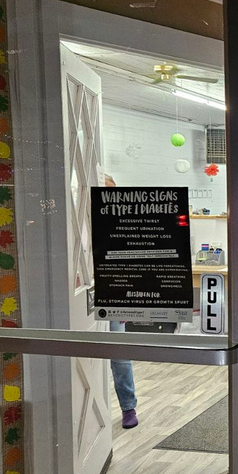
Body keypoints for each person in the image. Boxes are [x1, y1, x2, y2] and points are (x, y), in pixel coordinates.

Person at [105, 174, 139, 429]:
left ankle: (128, 407)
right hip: (87, 293)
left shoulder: (122, 223)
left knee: (120, 355)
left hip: (114, 294)